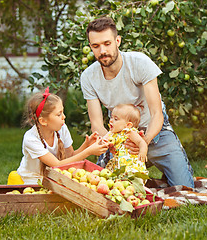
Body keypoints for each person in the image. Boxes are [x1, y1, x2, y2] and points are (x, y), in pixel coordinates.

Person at [80, 17, 194, 188]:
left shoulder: (139, 62)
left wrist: (144, 142)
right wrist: (111, 144)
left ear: (117, 41)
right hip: (118, 137)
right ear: (91, 47)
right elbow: (96, 123)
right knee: (106, 188)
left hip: (154, 131)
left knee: (185, 187)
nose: (102, 50)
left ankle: (171, 166)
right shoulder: (88, 77)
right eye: (96, 46)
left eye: (107, 43)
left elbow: (157, 113)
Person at [8, 87, 109, 185]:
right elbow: (57, 165)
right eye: (59, 114)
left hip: (53, 177)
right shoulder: (31, 139)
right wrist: (89, 152)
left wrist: (86, 145)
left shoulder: (62, 128)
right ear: (43, 121)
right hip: (32, 179)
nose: (64, 117)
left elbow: (70, 157)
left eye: (63, 112)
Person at [103, 104, 148, 176]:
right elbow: (104, 140)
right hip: (117, 164)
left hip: (130, 165)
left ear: (128, 125)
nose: (111, 121)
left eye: (116, 119)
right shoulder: (112, 133)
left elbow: (141, 142)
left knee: (133, 179)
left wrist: (143, 151)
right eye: (111, 117)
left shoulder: (129, 132)